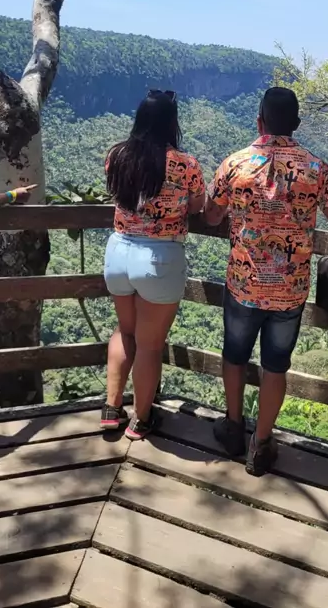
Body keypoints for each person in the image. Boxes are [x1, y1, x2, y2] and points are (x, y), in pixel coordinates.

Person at [205, 87, 328, 476]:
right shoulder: (318, 170)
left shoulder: (234, 165)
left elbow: (210, 216)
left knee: (234, 356)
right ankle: (260, 445)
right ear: (296, 124)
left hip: (244, 284)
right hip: (289, 291)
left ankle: (233, 428)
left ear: (259, 121)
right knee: (275, 367)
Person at [102, 90, 205, 441]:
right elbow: (197, 205)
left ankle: (111, 408)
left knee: (124, 332)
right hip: (159, 257)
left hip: (118, 252)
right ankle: (141, 420)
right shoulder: (185, 164)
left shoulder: (116, 155)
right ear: (171, 122)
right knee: (149, 344)